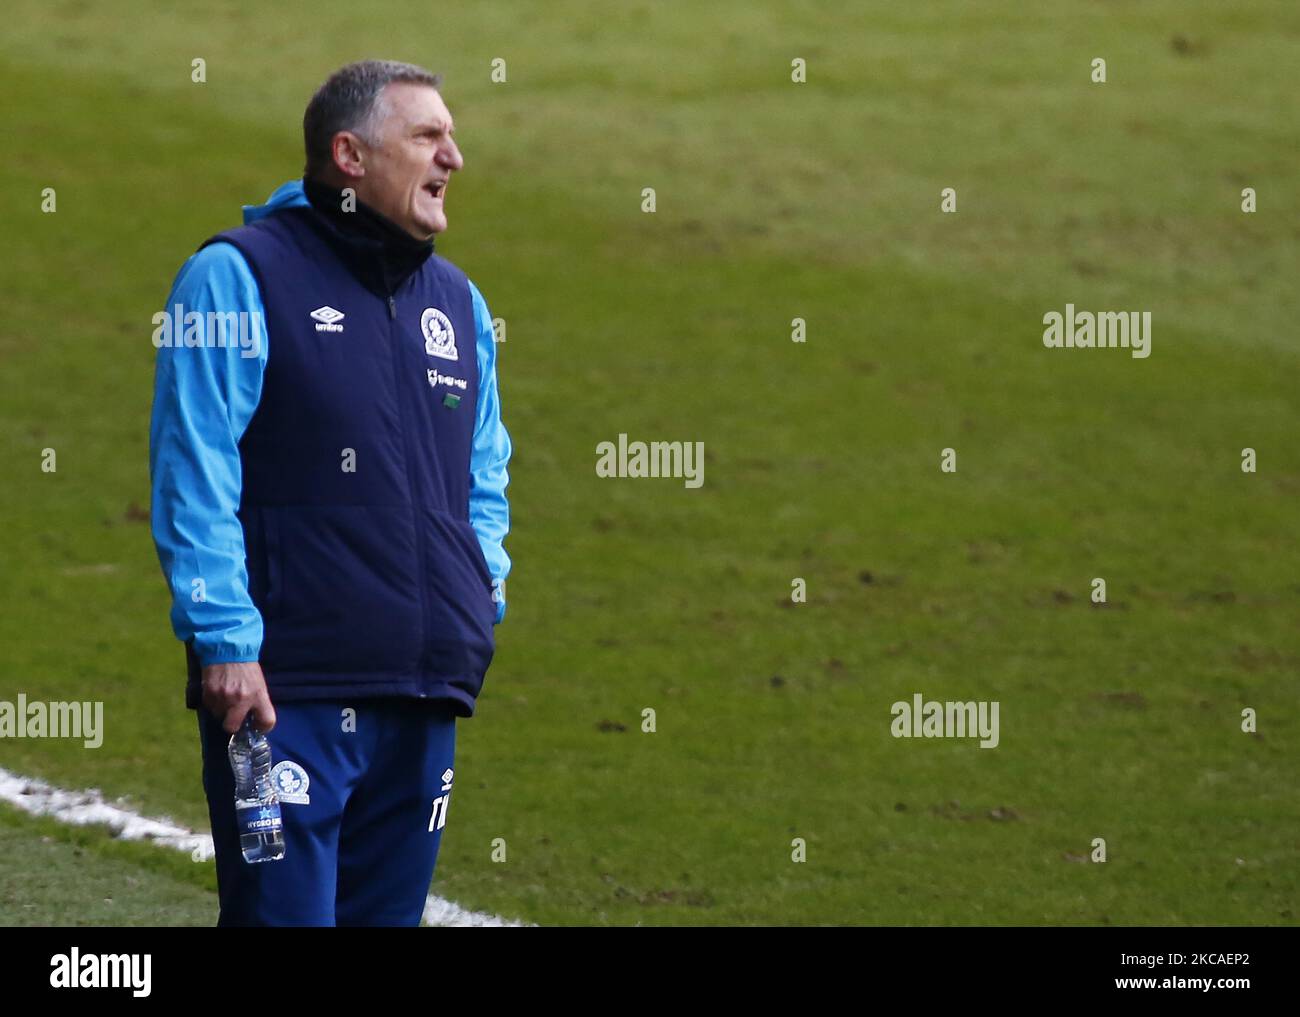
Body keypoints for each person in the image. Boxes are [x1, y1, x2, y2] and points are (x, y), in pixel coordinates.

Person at [148, 59, 511, 926]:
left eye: (451, 136)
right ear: (350, 155)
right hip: (283, 694)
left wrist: (479, 586)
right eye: (427, 136)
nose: (453, 157)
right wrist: (224, 640)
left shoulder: (457, 306)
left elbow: (483, 474)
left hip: (420, 691)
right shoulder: (238, 277)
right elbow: (194, 466)